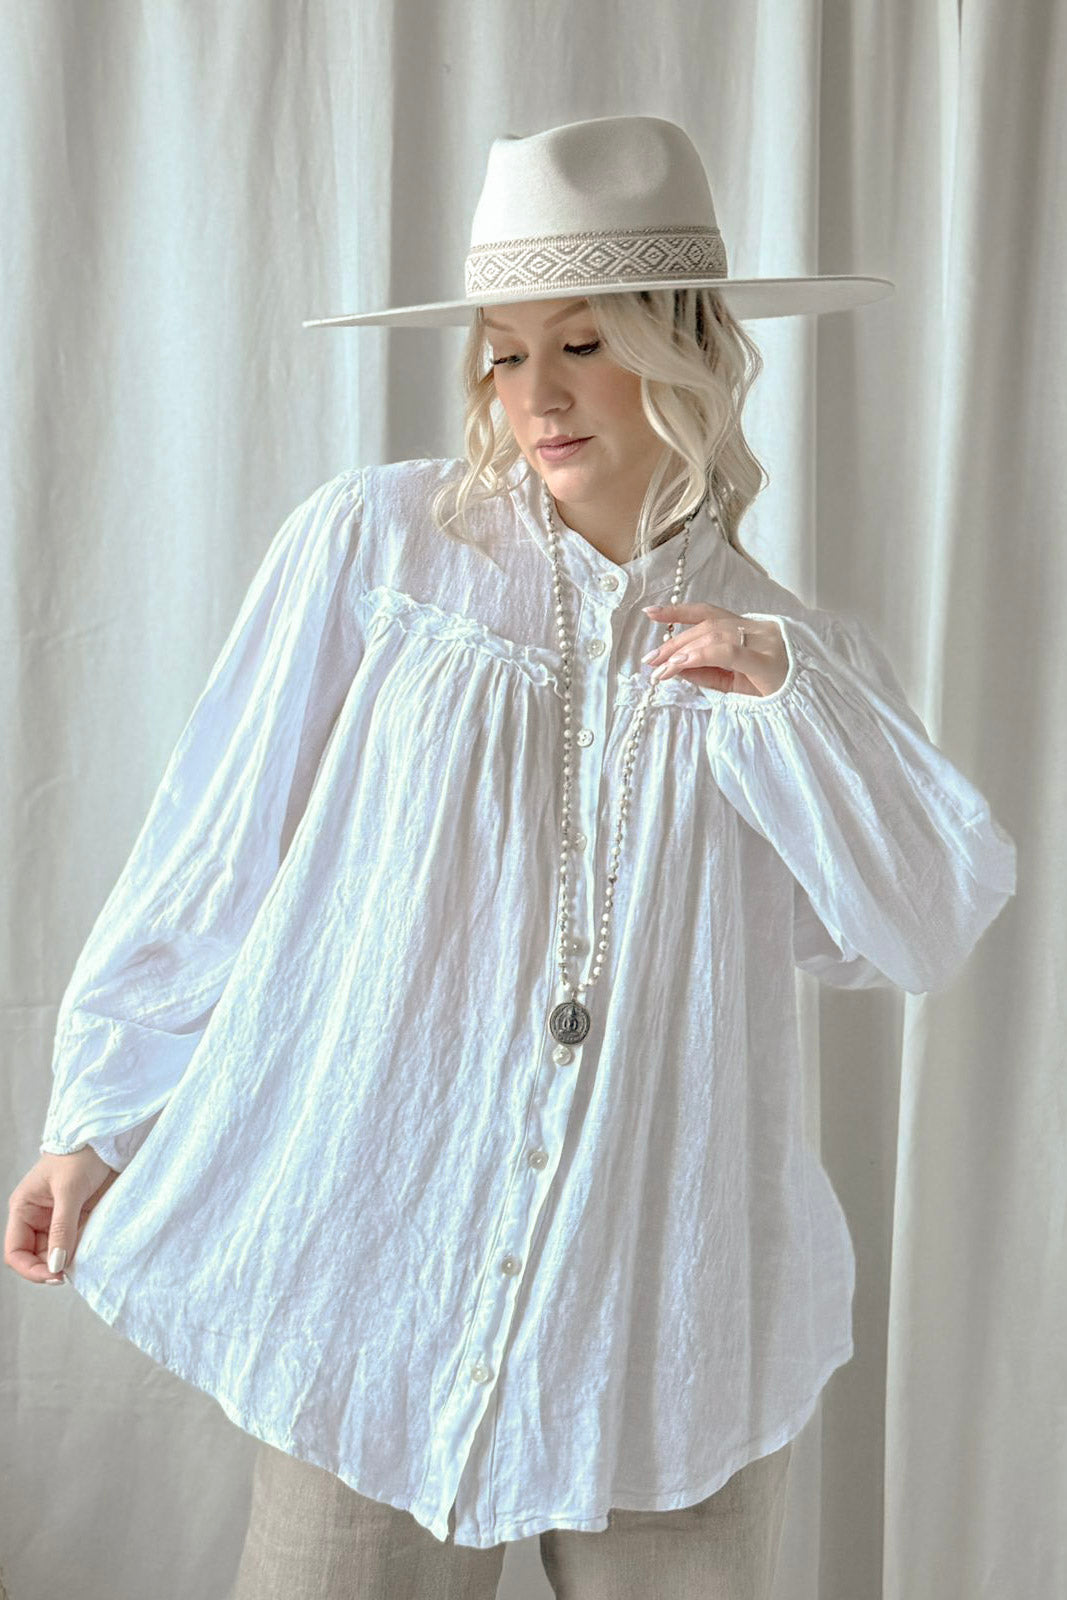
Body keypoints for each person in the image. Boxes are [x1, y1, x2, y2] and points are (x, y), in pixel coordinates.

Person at [6, 116, 1016, 1599]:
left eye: (584, 346)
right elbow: (214, 845)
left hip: (669, 1317)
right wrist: (96, 1117)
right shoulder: (379, 550)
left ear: (685, 347)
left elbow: (914, 926)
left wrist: (784, 702)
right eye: (503, 353)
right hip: (376, 1289)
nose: (535, 394)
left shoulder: (789, 653)